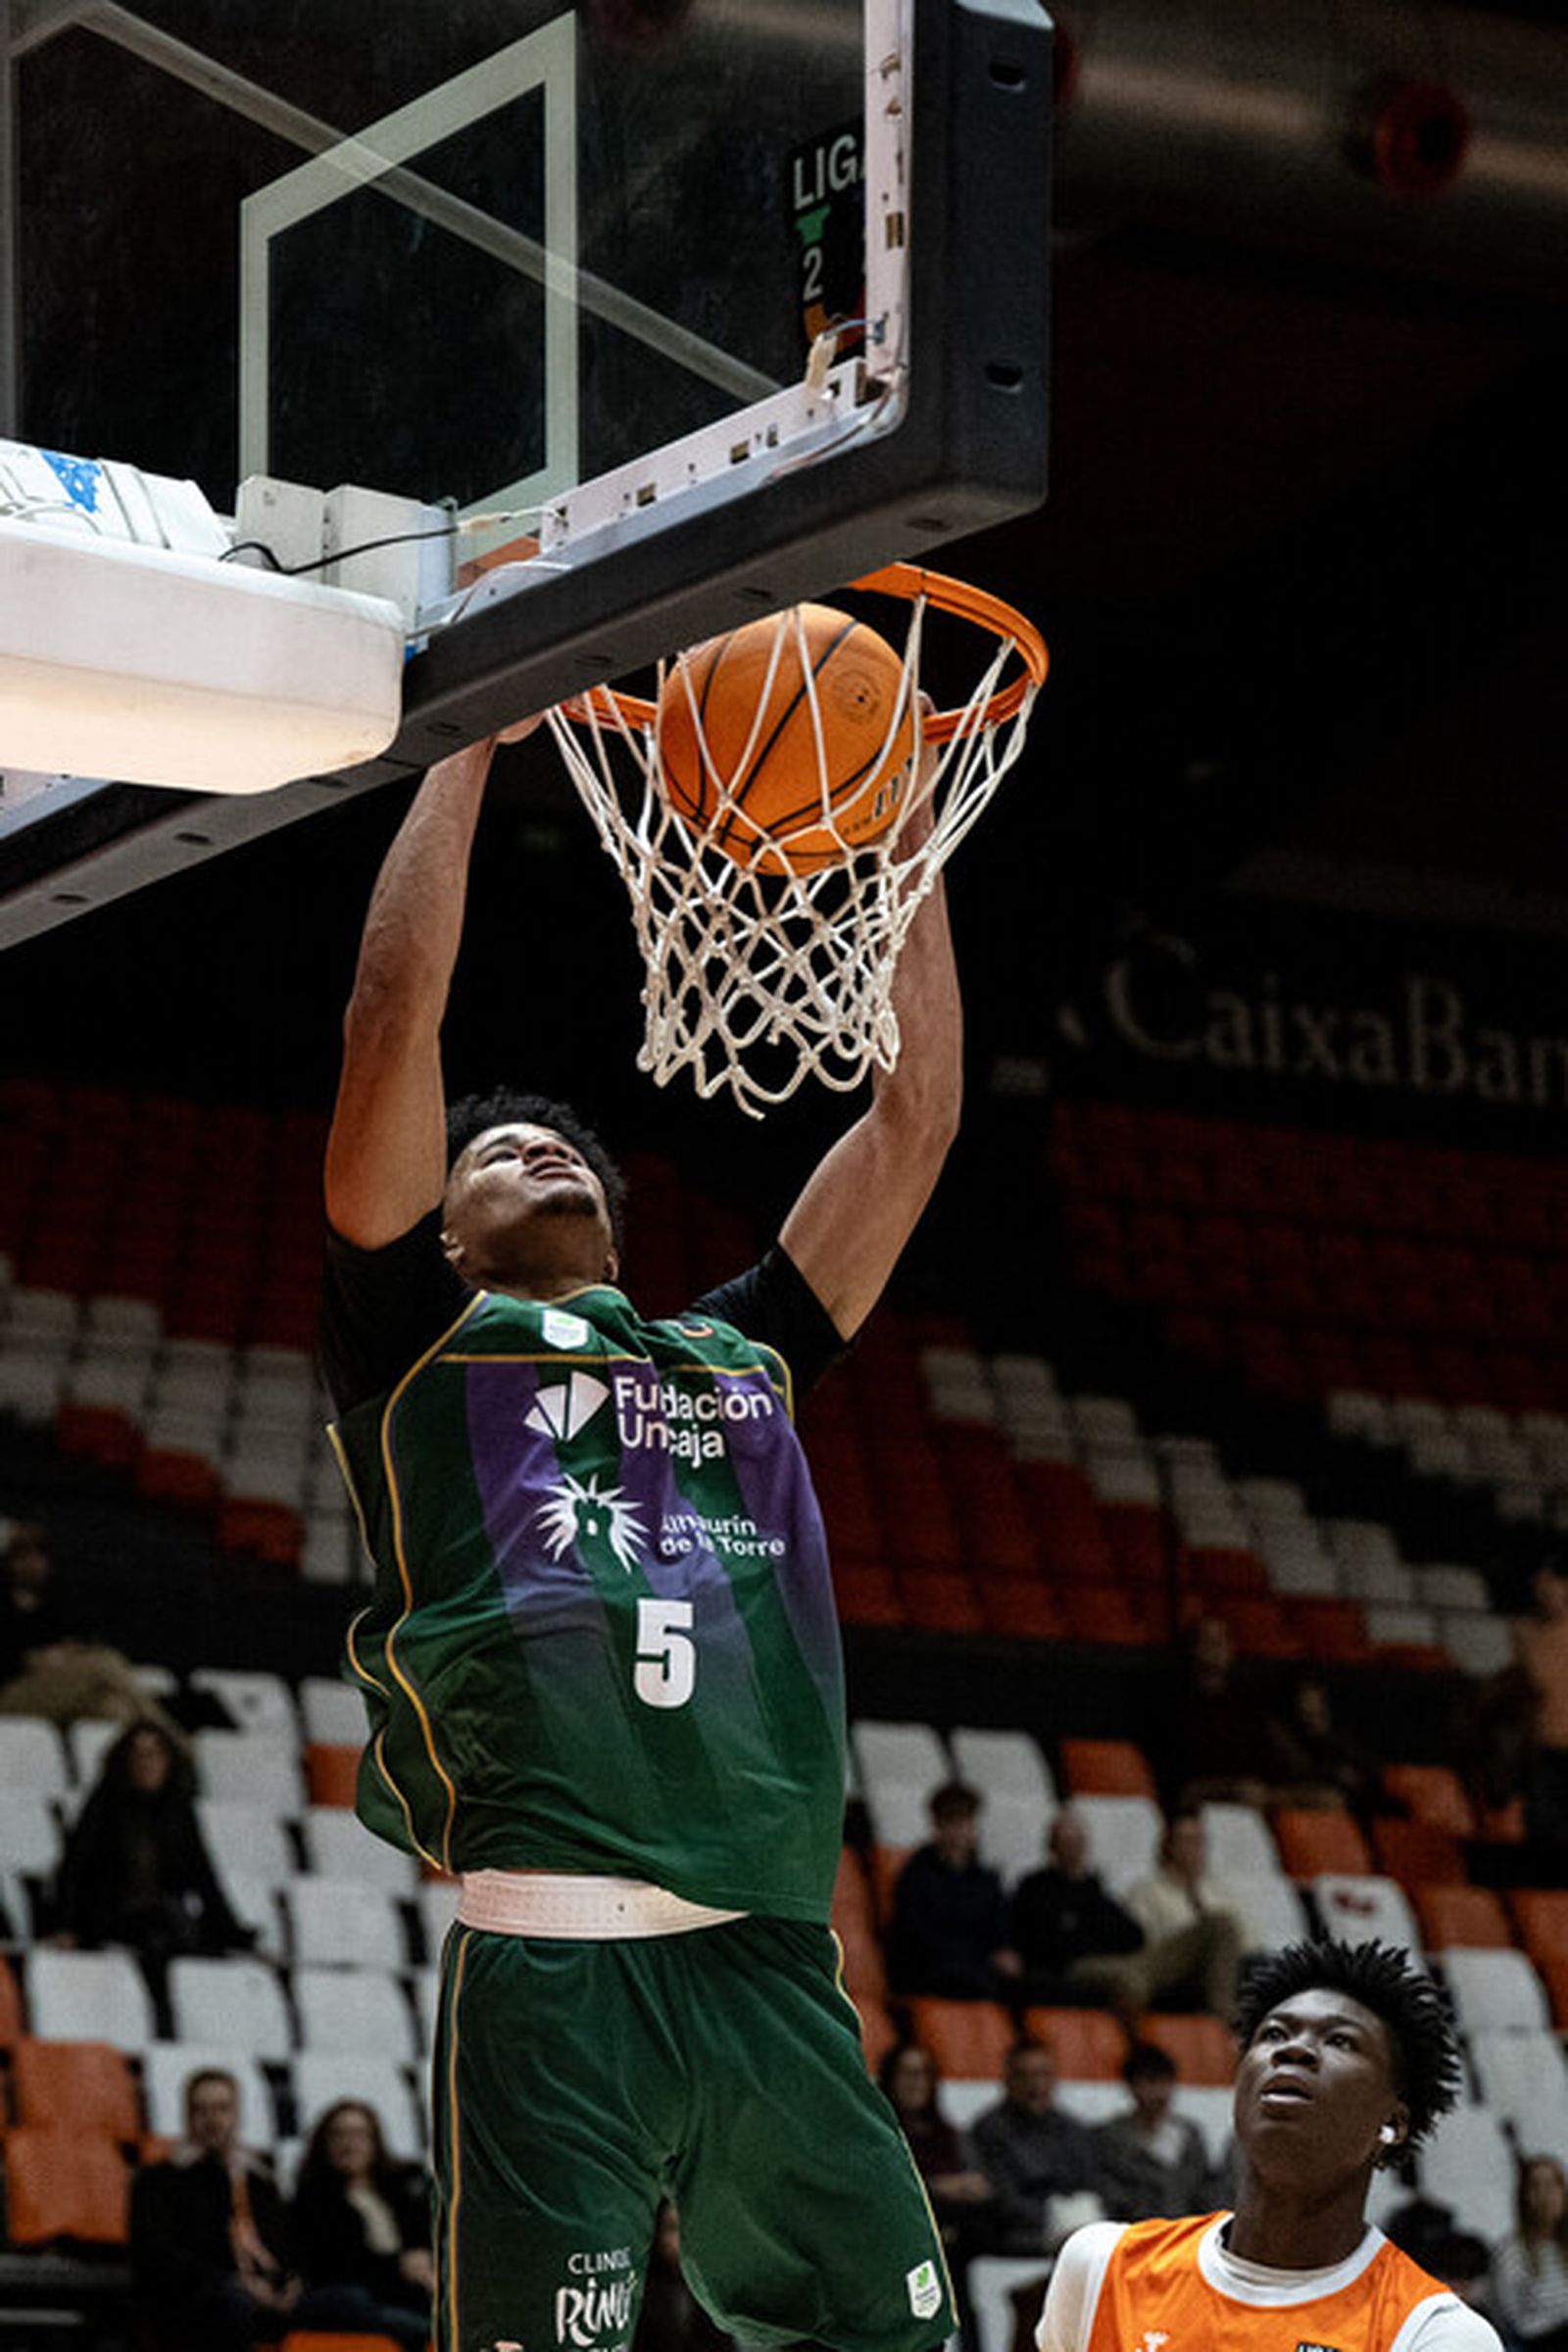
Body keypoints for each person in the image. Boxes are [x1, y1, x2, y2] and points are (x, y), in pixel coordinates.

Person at [318, 723, 962, 2352]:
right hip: (557, 1976)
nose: (526, 1142)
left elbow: (913, 1120)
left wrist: (907, 828)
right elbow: (394, 1013)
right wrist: (469, 731)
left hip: (773, 1970)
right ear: (446, 1237)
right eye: (483, 1149)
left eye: (555, 1142)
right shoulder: (422, 1348)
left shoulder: (739, 1355)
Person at [1035, 1937, 1503, 2352]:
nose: (1293, 2050)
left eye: (1340, 2041)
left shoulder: (1435, 2335)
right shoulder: (1100, 2268)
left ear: (1394, 2122)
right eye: (1275, 2033)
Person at [49, 1720, 249, 2018]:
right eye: (139, 1755)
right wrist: (65, 1926)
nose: (147, 1763)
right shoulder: (104, 1806)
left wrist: (235, 1935)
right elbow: (75, 1869)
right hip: (112, 1918)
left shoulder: (179, 1811)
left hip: (164, 1921)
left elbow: (204, 1876)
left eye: (155, 1754)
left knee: (188, 1940)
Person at [129, 2067, 297, 2352]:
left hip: (263, 2293)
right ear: (187, 2117)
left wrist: (291, 2283)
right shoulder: (159, 2179)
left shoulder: (259, 2181)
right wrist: (238, 2282)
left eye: (222, 2109)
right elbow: (159, 2256)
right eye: (201, 2110)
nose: (213, 2120)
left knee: (335, 2304)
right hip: (198, 2299)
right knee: (232, 2303)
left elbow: (286, 2243)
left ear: (237, 2114)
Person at [0, 1519, 179, 1733]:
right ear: (10, 1562)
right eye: (24, 1557)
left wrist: (66, 1653)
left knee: (114, 1708)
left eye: (39, 1557)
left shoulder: (53, 1607)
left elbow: (75, 1642)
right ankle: (171, 1737)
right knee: (105, 1663)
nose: (33, 1564)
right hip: (10, 1693)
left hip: (55, 1686)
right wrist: (29, 1660)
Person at [290, 2099, 433, 2352]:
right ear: (324, 2143)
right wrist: (400, 2265)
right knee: (351, 2299)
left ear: (374, 2140)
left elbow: (426, 2237)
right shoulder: (313, 2198)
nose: (349, 2143)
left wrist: (423, 2261)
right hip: (356, 2296)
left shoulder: (402, 2188)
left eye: (358, 2134)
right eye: (339, 2134)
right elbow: (333, 2264)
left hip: (407, 2291)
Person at [1008, 1805, 1151, 2021]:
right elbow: (1048, 1943)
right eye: (1067, 1843)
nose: (1074, 1849)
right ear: (1052, 1847)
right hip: (1073, 1967)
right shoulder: (1035, 1887)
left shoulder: (1095, 1890)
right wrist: (1093, 1937)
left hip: (1109, 1961)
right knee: (1129, 1979)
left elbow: (1134, 1935)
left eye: (1079, 1842)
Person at [969, 2039, 1107, 2258]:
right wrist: (1057, 2219)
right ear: (1007, 2080)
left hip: (1077, 2228)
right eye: (1024, 2076)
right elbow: (1002, 2198)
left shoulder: (1074, 2129)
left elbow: (1093, 2184)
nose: (1035, 2085)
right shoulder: (989, 2130)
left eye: (1043, 2075)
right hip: (1016, 2235)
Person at [889, 1782, 1021, 2000]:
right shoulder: (916, 1875)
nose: (960, 1831)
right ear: (937, 1826)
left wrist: (1003, 1953)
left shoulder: (986, 1878)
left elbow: (1000, 1928)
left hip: (979, 1967)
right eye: (953, 1822)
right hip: (932, 1969)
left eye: (966, 1822)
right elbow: (915, 1936)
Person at [1123, 1807, 1245, 2017]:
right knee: (1220, 1925)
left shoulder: (1219, 1893)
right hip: (1173, 1972)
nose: (1195, 1849)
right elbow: (1145, 1951)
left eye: (1199, 1841)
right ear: (1168, 1846)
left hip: (1225, 1970)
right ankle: (1224, 2016)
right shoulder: (1145, 1893)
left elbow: (1245, 1941)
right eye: (1187, 1841)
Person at [1089, 2040, 1223, 2223]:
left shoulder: (1190, 2134)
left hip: (1187, 2233)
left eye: (1166, 2082)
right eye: (1150, 2082)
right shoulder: (1108, 2138)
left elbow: (1207, 2191)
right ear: (1131, 2086)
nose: (1160, 2093)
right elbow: (1111, 2195)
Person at [1491, 2153, 1568, 2350]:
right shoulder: (1511, 2254)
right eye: (1536, 2187)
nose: (1546, 2195)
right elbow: (1515, 2322)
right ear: (1524, 2196)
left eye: (1552, 2186)